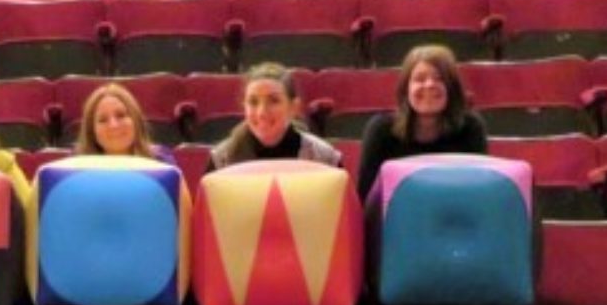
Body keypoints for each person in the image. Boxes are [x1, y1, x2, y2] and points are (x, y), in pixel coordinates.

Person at [356, 44, 488, 199]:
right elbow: (365, 200)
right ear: (406, 89)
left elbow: (478, 193)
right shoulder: (381, 130)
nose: (429, 84)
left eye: (439, 78)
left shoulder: (471, 128)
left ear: (452, 89)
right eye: (419, 79)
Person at [207, 62, 341, 171]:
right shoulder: (221, 160)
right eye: (253, 102)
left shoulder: (325, 158)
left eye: (273, 101)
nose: (262, 113)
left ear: (293, 107)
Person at [74, 82, 175, 164]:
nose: (113, 125)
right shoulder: (75, 168)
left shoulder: (160, 161)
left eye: (121, 115)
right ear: (92, 130)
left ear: (135, 120)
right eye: (103, 120)